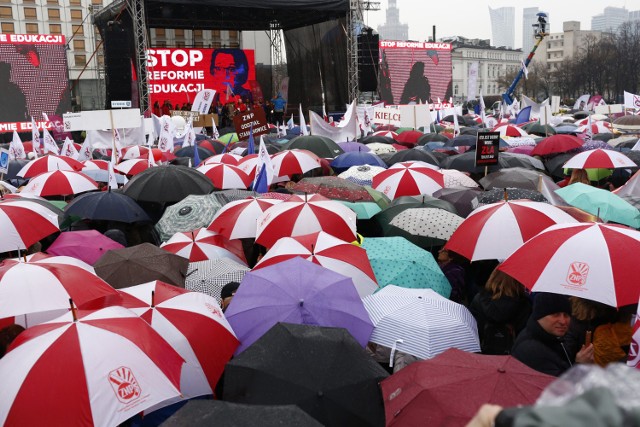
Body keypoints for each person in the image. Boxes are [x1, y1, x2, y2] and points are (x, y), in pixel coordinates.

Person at [511, 292, 594, 376]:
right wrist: (580, 365)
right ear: (539, 316)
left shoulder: (553, 338)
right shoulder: (533, 350)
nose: (563, 321)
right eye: (555, 315)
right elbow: (558, 387)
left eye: (566, 315)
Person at [469, 268, 531, 355]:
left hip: (481, 353)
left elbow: (472, 329)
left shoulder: (479, 299)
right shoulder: (525, 304)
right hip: (513, 357)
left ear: (493, 277)